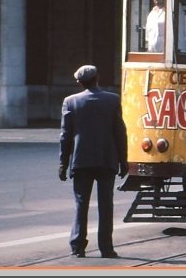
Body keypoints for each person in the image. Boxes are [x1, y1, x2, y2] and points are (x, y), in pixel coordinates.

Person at [59, 65, 128, 258]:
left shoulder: (70, 102)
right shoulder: (112, 100)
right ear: (98, 77)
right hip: (107, 160)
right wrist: (124, 161)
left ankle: (78, 246)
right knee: (106, 205)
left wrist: (63, 164)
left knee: (81, 204)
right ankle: (106, 248)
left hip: (81, 161)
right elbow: (120, 133)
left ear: (79, 83)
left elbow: (65, 136)